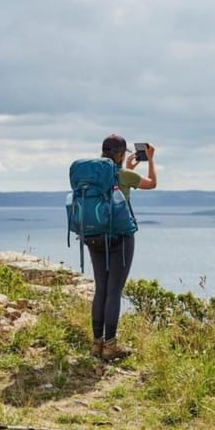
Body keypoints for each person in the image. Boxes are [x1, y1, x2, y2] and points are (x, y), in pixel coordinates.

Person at [88, 134, 157, 361]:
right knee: (114, 291)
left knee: (101, 289)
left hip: (95, 236)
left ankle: (96, 344)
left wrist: (127, 166)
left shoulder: (94, 175)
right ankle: (110, 346)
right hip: (121, 238)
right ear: (119, 154)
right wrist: (151, 160)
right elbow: (151, 184)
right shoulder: (124, 176)